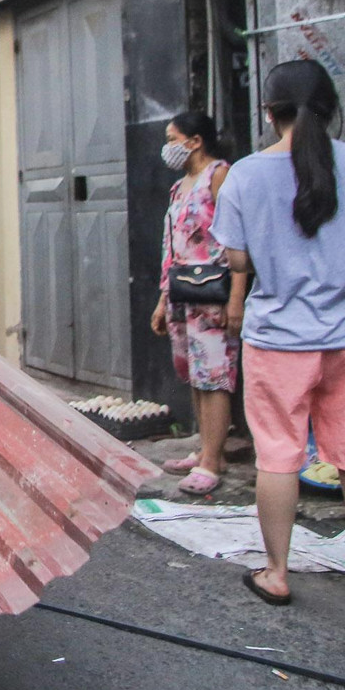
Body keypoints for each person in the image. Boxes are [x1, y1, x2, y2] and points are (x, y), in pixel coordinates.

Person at [212, 59, 345, 608]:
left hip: (278, 338)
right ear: (332, 109)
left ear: (268, 112)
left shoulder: (244, 175)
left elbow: (238, 259)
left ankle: (276, 573)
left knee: (278, 457)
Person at [150, 112, 248, 494]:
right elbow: (171, 247)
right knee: (195, 374)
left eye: (172, 138)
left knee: (215, 376)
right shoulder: (179, 187)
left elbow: (236, 237)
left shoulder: (219, 175)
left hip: (214, 292)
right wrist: (163, 300)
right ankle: (208, 451)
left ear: (195, 141)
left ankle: (211, 463)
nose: (167, 147)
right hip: (182, 292)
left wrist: (236, 298)